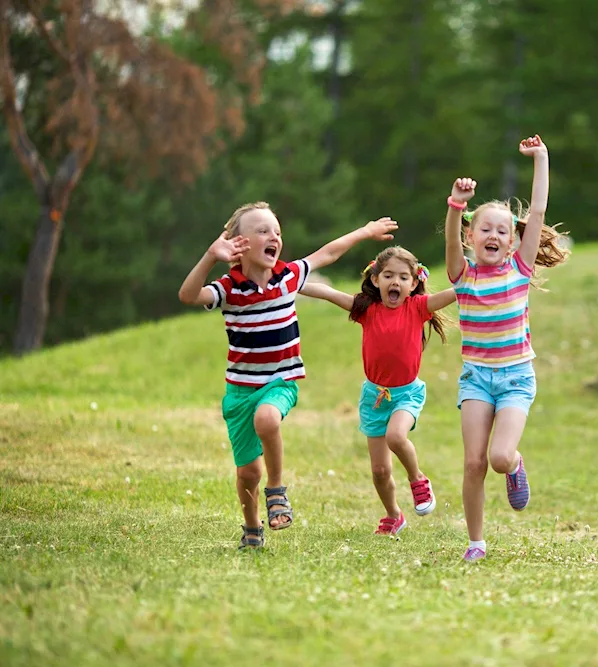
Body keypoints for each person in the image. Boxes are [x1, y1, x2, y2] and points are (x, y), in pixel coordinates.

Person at [178, 201, 397, 549]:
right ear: (239, 244)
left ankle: (277, 490)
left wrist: (366, 231)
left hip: (281, 381)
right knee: (247, 472)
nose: (273, 237)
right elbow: (188, 295)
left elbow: (328, 253)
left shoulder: (289, 276)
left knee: (267, 420)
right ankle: (252, 527)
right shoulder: (230, 287)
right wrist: (209, 256)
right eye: (262, 231)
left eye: (277, 232)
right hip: (239, 391)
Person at [443, 134, 570, 562]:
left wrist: (541, 158)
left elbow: (536, 211)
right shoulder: (462, 275)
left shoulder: (519, 268)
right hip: (476, 378)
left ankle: (515, 465)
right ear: (471, 237)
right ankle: (476, 542)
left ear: (513, 241)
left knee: (497, 458)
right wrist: (456, 205)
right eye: (486, 229)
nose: (494, 234)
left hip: (515, 376)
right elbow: (453, 234)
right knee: (474, 463)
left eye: (502, 230)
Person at [299, 246, 455, 536]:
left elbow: (455, 292)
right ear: (375, 280)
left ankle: (418, 479)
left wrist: (481, 274)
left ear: (413, 284)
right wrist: (288, 281)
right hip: (374, 397)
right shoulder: (366, 309)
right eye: (388, 275)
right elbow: (328, 293)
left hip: (407, 393)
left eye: (403, 277)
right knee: (380, 471)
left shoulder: (418, 307)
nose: (395, 282)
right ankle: (394, 514)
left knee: (397, 437)